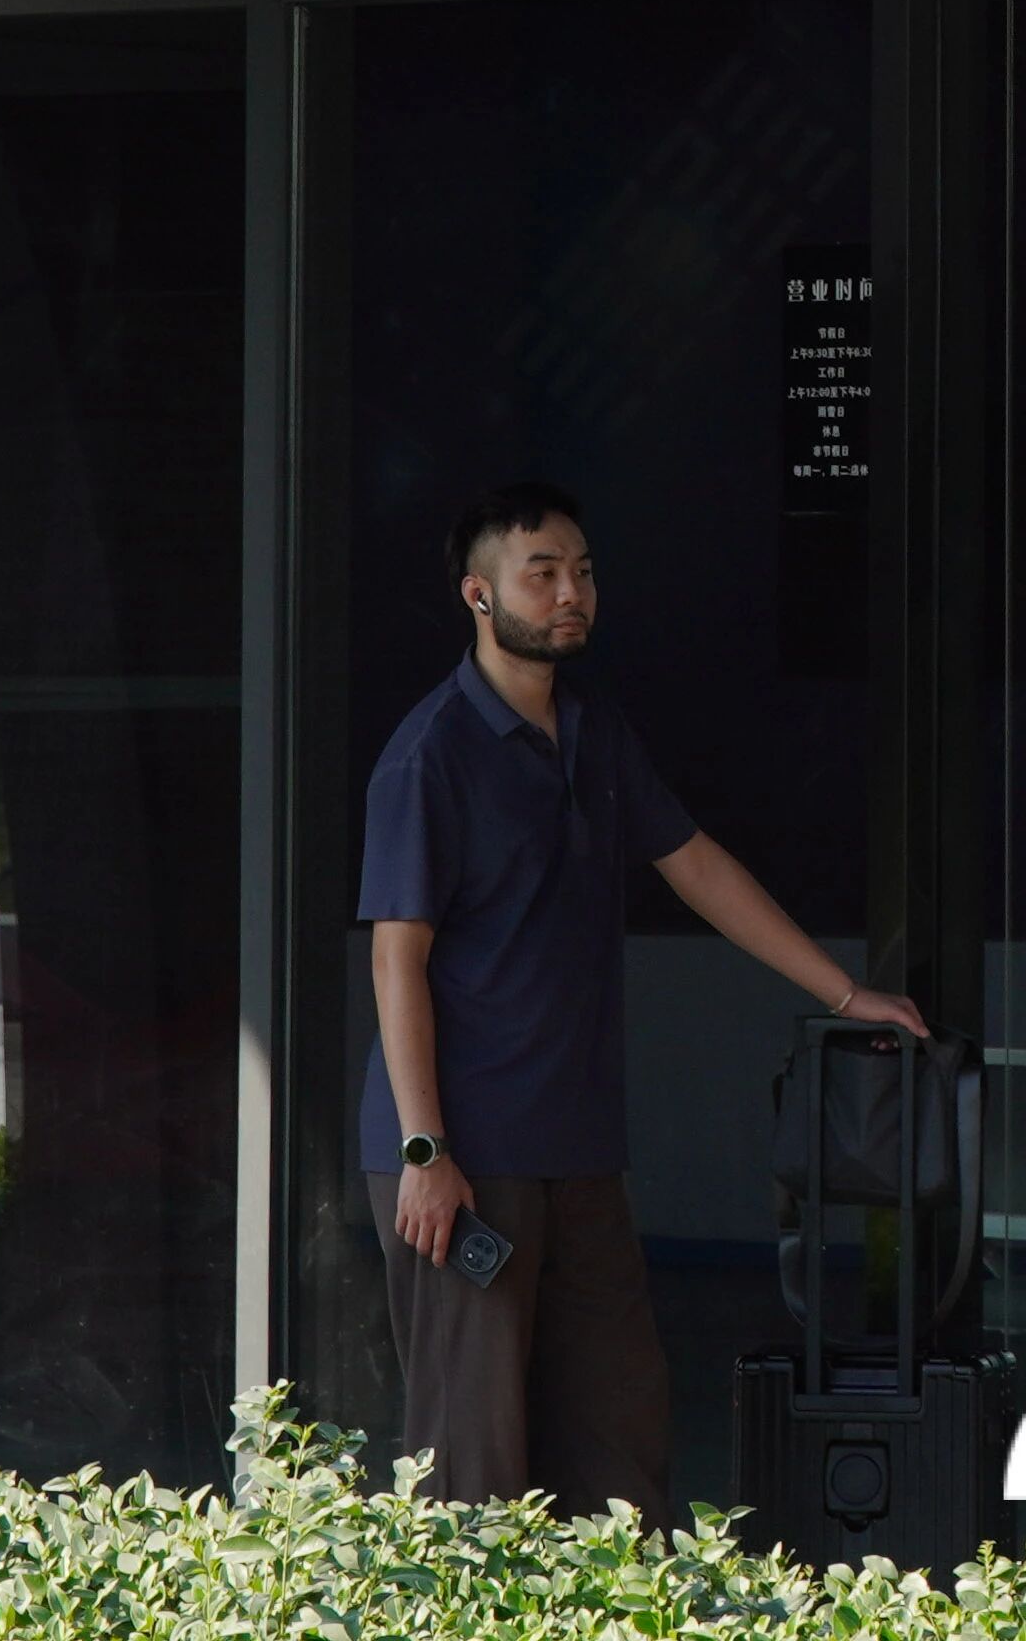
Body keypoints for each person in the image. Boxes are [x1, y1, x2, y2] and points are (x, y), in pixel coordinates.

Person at [366, 474, 927, 1519]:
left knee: (619, 1426)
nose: (571, 593)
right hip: (466, 1152)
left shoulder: (594, 730)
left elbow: (698, 866)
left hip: (580, 1147)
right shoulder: (429, 755)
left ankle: (624, 1599)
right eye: (542, 574)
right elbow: (396, 959)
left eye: (583, 572)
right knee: (472, 1452)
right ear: (479, 596)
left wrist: (846, 992)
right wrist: (424, 1150)